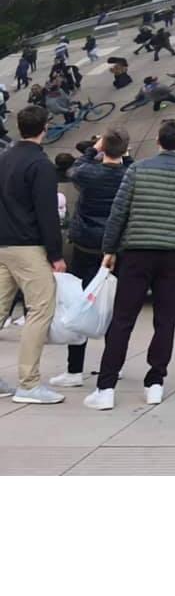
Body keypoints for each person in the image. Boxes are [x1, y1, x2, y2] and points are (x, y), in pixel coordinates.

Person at [84, 119, 175, 410]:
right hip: (173, 255)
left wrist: (109, 248)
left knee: (123, 319)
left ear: (157, 140)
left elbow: (119, 212)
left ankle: (106, 388)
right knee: (165, 321)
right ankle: (155, 383)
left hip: (136, 252)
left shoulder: (137, 170)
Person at [50, 128, 131, 388]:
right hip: (115, 247)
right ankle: (113, 366)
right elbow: (131, 165)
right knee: (116, 308)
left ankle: (74, 370)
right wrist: (125, 154)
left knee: (79, 303)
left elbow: (74, 169)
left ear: (103, 147)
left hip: (86, 245)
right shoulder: (130, 174)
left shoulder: (88, 173)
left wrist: (92, 149)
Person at [0, 105, 67, 404]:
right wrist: (56, 254)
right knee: (40, 310)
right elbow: (47, 214)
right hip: (27, 246)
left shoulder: (3, 158)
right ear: (45, 128)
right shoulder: (40, 164)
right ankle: (29, 383)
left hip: (2, 244)